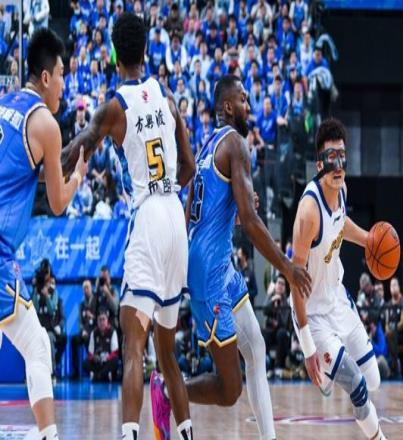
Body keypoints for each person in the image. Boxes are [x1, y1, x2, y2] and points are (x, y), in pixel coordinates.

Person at [152, 75, 311, 440]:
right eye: (242, 99)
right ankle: (169, 391)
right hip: (209, 273)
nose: (248, 106)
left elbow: (198, 212)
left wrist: (235, 209)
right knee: (229, 390)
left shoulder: (209, 146)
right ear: (227, 106)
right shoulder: (236, 144)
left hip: (218, 264)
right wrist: (287, 268)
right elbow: (251, 223)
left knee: (256, 347)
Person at [61, 13, 195, 440]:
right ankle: (187, 434)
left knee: (133, 345)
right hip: (174, 214)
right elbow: (189, 167)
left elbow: (77, 149)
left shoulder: (114, 107)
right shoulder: (167, 97)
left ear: (115, 55)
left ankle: (130, 435)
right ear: (147, 50)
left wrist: (40, 164)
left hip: (149, 213)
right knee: (168, 354)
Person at [0, 28, 87, 440]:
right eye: (63, 74)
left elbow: (16, 169)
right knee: (37, 344)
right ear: (47, 76)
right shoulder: (46, 125)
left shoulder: (4, 103)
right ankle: (50, 435)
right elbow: (57, 203)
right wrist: (77, 176)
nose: (65, 84)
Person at [290, 118, 386, 440]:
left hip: (337, 299)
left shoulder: (341, 190)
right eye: (331, 157)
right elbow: (294, 281)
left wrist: (369, 239)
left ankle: (330, 372)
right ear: (319, 164)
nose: (338, 164)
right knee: (357, 385)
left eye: (342, 156)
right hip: (312, 312)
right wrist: (307, 348)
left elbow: (341, 223)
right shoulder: (308, 212)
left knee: (373, 380)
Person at [85, 309, 119, 382]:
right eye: (100, 320)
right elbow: (90, 353)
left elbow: (115, 352)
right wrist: (94, 357)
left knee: (115, 361)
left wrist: (107, 358)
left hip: (108, 360)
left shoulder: (112, 332)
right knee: (85, 363)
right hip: (97, 361)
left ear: (107, 320)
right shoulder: (94, 333)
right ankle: (101, 375)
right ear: (97, 321)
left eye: (103, 319)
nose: (102, 322)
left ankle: (98, 375)